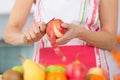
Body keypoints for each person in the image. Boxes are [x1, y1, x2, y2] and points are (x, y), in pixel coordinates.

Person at [3, 0, 118, 79]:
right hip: (44, 74)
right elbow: (9, 32)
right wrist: (26, 37)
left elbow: (110, 41)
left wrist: (80, 33)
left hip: (90, 73)